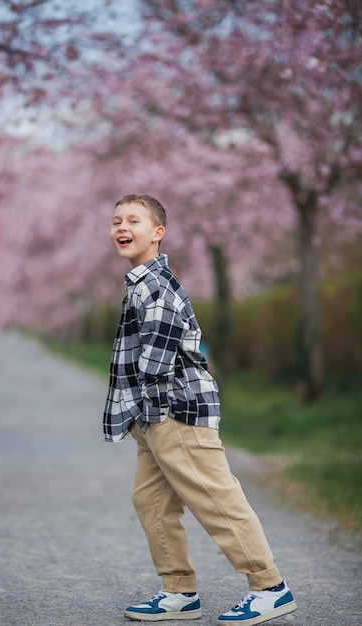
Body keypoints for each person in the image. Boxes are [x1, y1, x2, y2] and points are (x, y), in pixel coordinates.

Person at [103, 193, 297, 625]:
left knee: (216, 499)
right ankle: (178, 591)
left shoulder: (157, 285)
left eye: (133, 220)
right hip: (153, 416)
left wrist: (144, 410)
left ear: (157, 233)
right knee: (151, 502)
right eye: (116, 221)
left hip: (176, 411)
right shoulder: (140, 282)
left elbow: (154, 362)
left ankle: (270, 587)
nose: (121, 227)